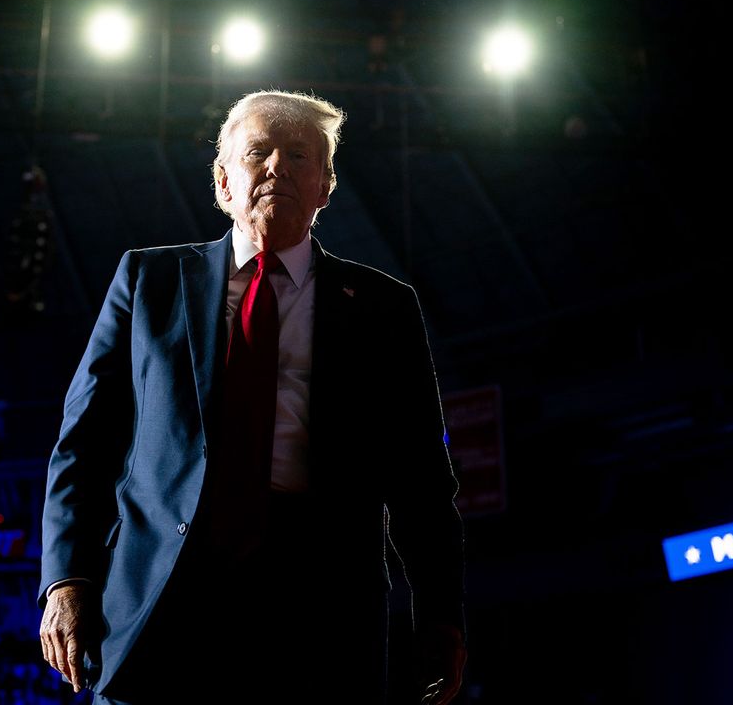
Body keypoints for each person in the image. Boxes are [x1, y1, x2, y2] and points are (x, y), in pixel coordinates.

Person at [38, 91, 466, 705]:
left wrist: (442, 617)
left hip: (319, 607)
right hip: (163, 596)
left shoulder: (384, 307)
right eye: (257, 153)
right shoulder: (147, 281)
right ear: (222, 182)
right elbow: (83, 444)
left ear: (326, 185)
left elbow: (422, 480)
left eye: (299, 155)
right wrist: (66, 581)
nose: (277, 168)